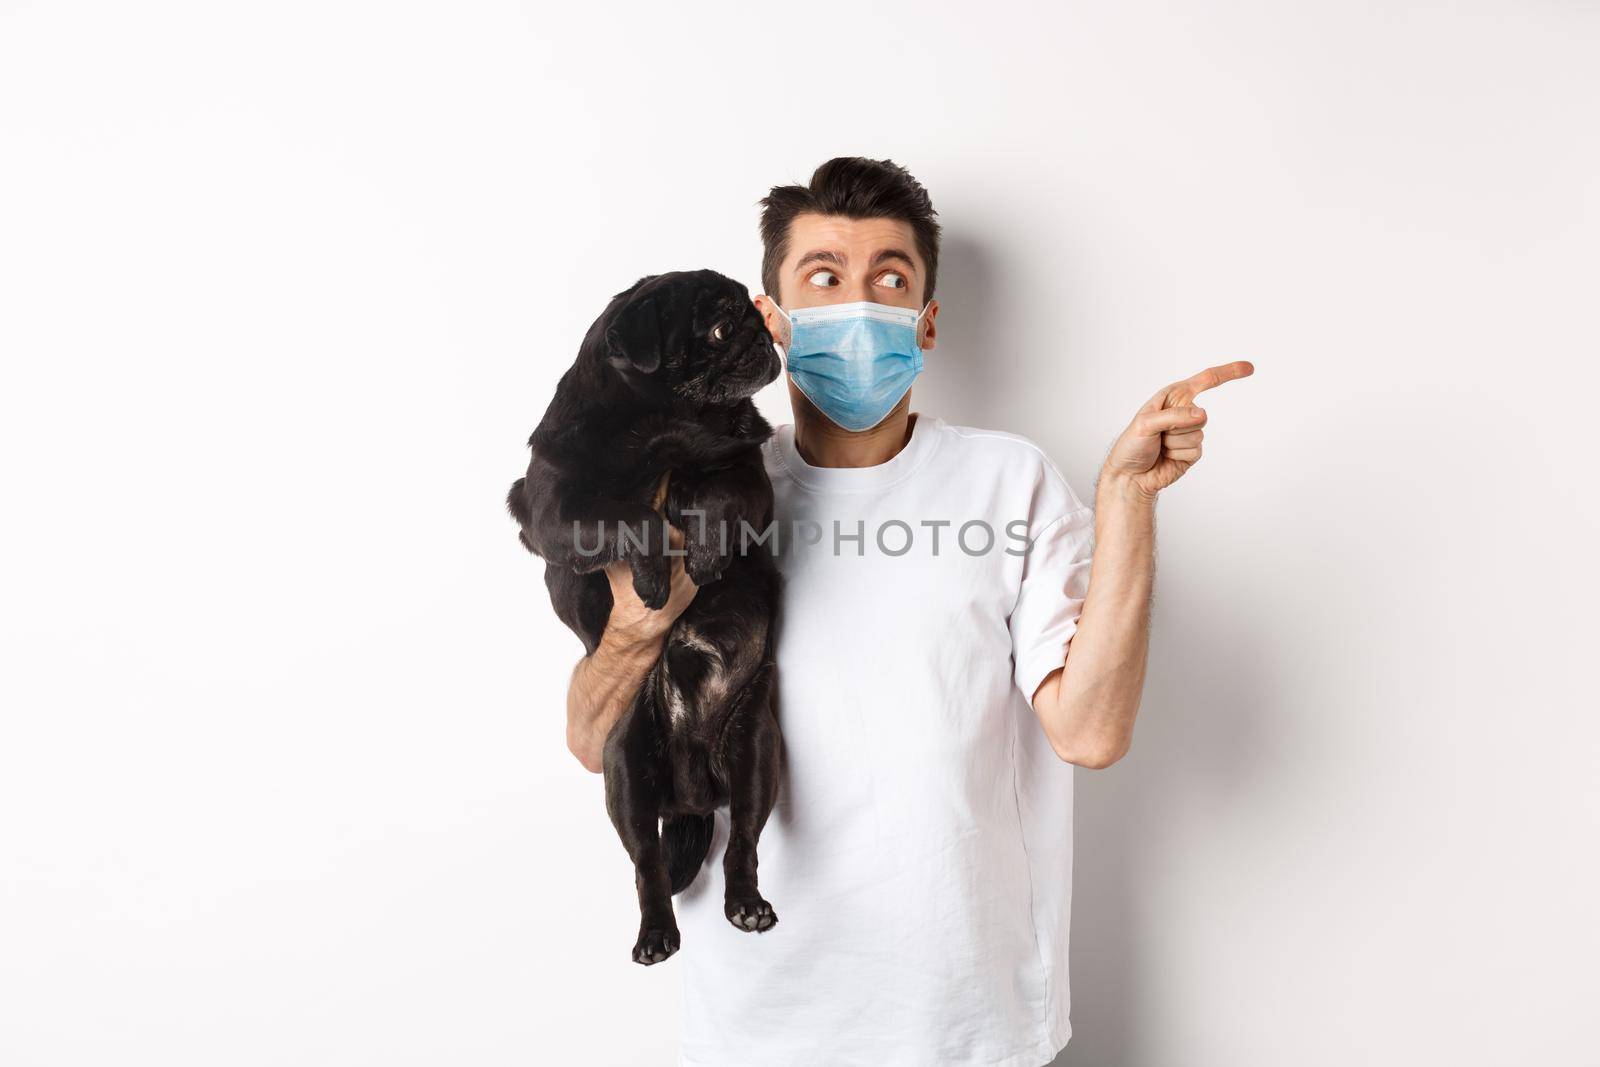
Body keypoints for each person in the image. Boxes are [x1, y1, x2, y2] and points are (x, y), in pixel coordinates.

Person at [564, 157, 1253, 1066]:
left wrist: (1126, 500)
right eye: (824, 277)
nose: (858, 305)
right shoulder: (692, 499)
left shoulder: (1009, 482)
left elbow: (1088, 731)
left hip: (966, 1020)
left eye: (890, 279)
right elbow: (591, 739)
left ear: (925, 324)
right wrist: (643, 620)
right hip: (753, 1018)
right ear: (771, 322)